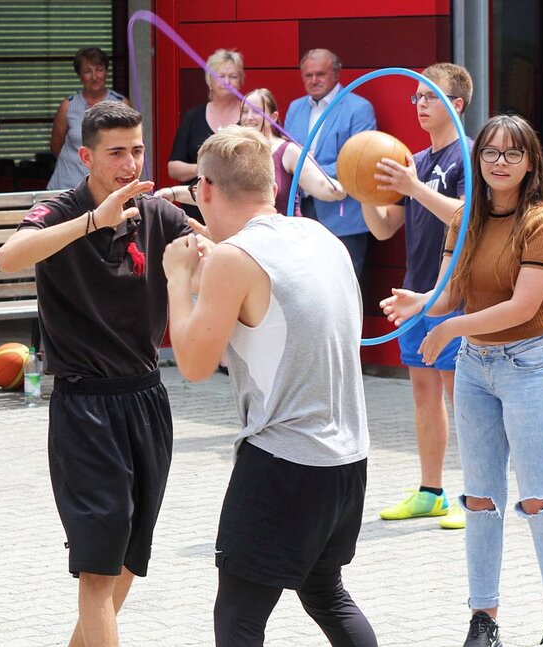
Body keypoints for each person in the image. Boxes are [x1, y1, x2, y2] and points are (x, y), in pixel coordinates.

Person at [164, 126, 376, 647]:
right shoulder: (318, 236)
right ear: (272, 187)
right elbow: (272, 294)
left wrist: (175, 278)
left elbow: (192, 363)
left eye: (197, 190)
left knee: (238, 618)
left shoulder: (235, 261)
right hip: (347, 457)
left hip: (285, 460)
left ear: (207, 188)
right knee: (326, 593)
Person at [0, 101, 193, 646]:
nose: (131, 163)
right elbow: (9, 257)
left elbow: (226, 248)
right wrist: (91, 222)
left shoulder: (159, 215)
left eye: (137, 150)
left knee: (128, 559)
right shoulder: (60, 209)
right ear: (86, 157)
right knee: (98, 568)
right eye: (116, 153)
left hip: (148, 402)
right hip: (85, 408)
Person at [381, 114, 543, 647]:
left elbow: (522, 306)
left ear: (531, 163)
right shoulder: (464, 217)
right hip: (476, 367)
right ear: (479, 158)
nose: (499, 162)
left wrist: (448, 326)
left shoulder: (542, 222)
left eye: (512, 154)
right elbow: (448, 291)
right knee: (480, 500)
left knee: (541, 499)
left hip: (533, 363)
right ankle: (483, 619)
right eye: (490, 152)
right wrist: (421, 303)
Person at [360, 63, 473, 531]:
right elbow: (386, 226)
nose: (421, 105)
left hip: (454, 295)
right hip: (415, 293)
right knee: (425, 393)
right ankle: (432, 492)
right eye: (417, 98)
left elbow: (465, 217)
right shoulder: (418, 161)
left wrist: (413, 187)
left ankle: (476, 494)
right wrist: (363, 189)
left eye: (430, 96)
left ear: (456, 104)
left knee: (462, 396)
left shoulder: (471, 157)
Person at [156, 88, 346, 216]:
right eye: (244, 111)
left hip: (283, 243)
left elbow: (320, 185)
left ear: (273, 117)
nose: (249, 118)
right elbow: (212, 194)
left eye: (256, 111)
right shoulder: (232, 152)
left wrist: (336, 190)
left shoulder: (288, 151)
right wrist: (172, 193)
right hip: (245, 244)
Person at [283, 49, 376, 287]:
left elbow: (360, 158)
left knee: (343, 286)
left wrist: (310, 171)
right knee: (305, 287)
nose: (313, 81)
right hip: (301, 212)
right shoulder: (295, 108)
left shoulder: (358, 108)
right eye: (307, 75)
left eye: (320, 74)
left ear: (336, 73)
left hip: (342, 212)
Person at [168, 48, 244, 223]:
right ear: (210, 80)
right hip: (196, 209)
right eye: (220, 76)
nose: (227, 82)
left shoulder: (250, 115)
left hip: (238, 208)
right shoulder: (193, 117)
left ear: (240, 81)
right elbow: (173, 168)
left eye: (233, 76)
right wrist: (205, 168)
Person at [47, 47, 129, 191]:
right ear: (79, 75)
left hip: (106, 186)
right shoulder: (68, 105)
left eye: (99, 69)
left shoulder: (121, 104)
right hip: (67, 185)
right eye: (87, 71)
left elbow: (128, 144)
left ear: (107, 72)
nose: (94, 76)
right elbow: (56, 144)